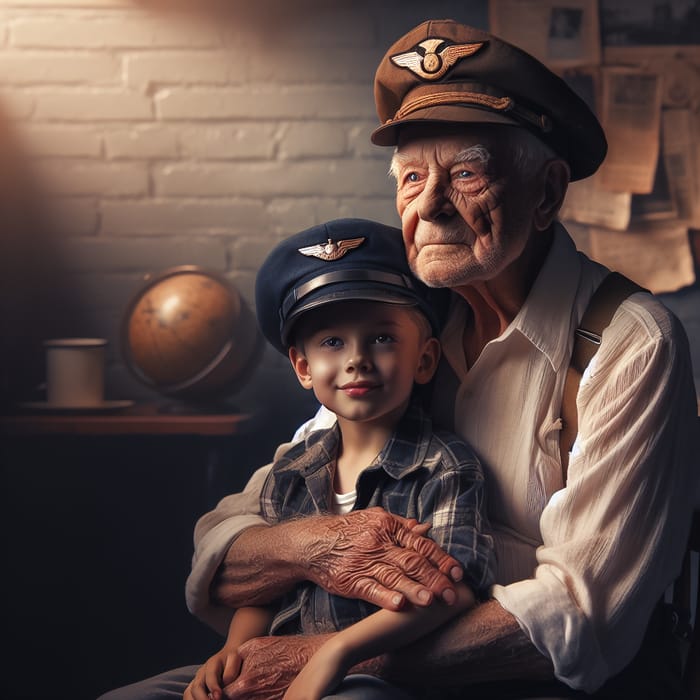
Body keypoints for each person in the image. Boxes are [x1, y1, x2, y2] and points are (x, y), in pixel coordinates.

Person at [99, 19, 698, 700]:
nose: (431, 206)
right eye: (412, 178)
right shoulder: (401, 326)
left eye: (466, 173)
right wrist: (320, 545)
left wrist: (327, 657)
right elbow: (231, 540)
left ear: (547, 192)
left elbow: (585, 620)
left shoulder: (627, 342)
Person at [183, 218, 494, 700]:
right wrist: (233, 652)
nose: (357, 359)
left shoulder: (445, 466)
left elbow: (453, 590)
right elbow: (268, 590)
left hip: (374, 676)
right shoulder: (292, 471)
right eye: (332, 342)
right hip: (275, 665)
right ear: (303, 367)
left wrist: (335, 653)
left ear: (425, 359)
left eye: (383, 338)